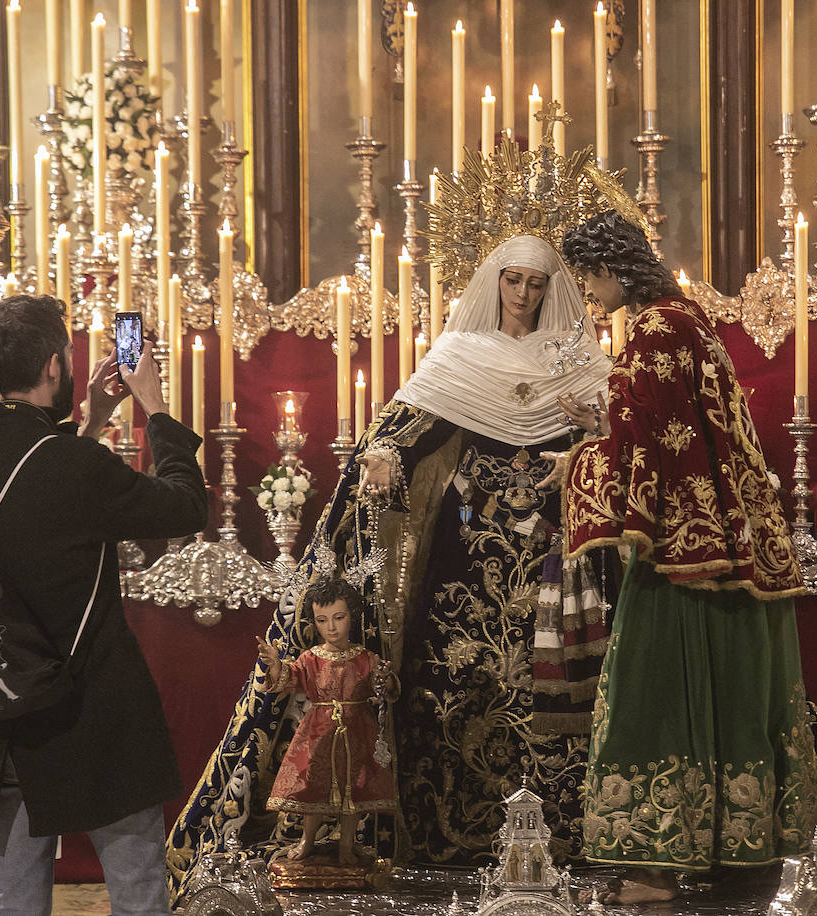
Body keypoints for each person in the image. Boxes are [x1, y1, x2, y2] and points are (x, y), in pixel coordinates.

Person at [167, 235, 613, 902]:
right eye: (513, 281)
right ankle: (450, 847)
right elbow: (401, 435)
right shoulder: (461, 357)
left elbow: (617, 445)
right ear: (494, 282)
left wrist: (588, 441)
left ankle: (575, 844)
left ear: (555, 290)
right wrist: (382, 459)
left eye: (537, 284)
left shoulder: (575, 362)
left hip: (558, 565)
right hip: (466, 569)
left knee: (562, 699)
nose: (523, 295)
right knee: (457, 693)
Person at [557, 211, 817, 914]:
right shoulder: (689, 316)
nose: (587, 291)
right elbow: (675, 426)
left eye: (587, 275)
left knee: (654, 693)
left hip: (681, 550)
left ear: (613, 267)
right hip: (733, 537)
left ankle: (658, 866)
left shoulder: (649, 328)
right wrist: (604, 423)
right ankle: (737, 851)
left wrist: (581, 458)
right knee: (733, 694)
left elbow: (648, 447)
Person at [0, 295, 207, 916]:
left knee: (15, 896)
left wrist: (94, 417)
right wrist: (153, 406)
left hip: (7, 702)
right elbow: (185, 505)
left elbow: (31, 498)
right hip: (95, 702)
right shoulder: (77, 466)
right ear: (54, 366)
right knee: (135, 886)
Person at [258, 577, 396, 866]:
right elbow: (290, 679)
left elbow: (382, 689)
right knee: (313, 787)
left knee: (353, 789)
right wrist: (275, 666)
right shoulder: (311, 658)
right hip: (318, 731)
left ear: (352, 618)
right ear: (315, 623)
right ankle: (307, 840)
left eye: (338, 618)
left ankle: (347, 844)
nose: (331, 627)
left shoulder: (364, 657)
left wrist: (384, 679)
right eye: (322, 620)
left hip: (358, 730)